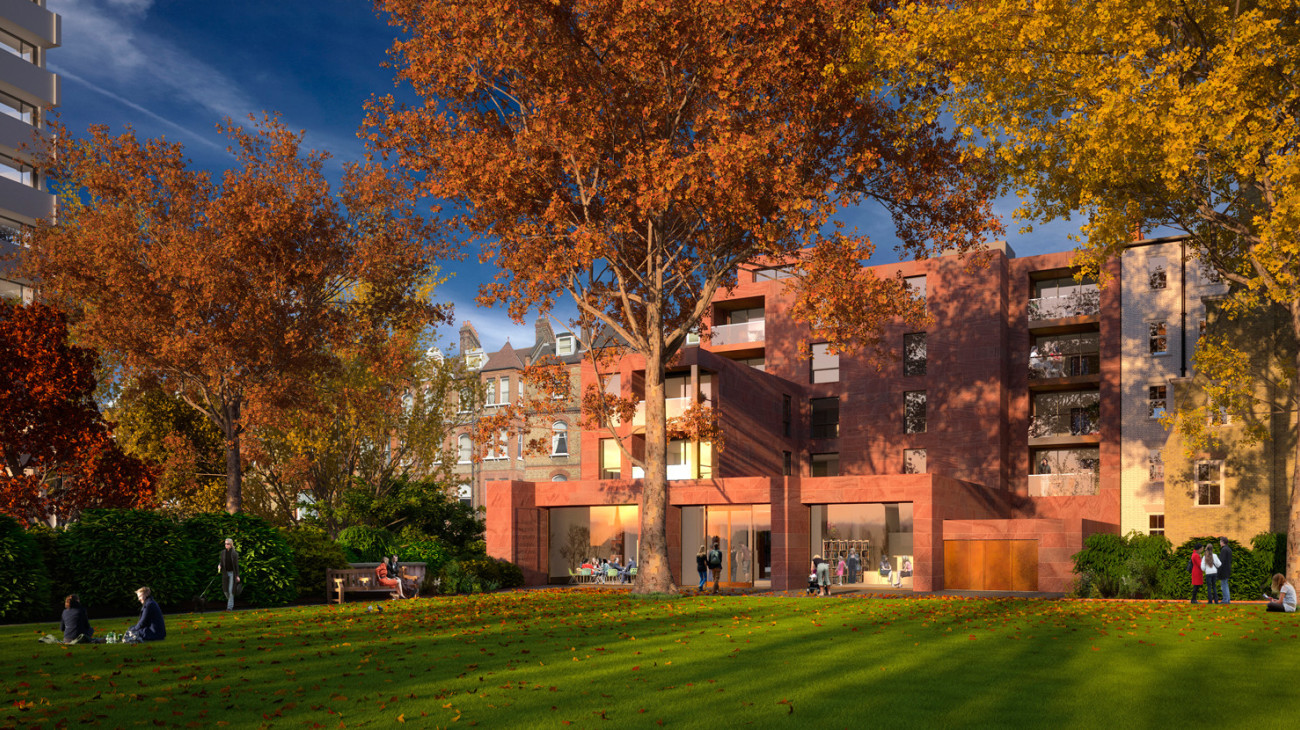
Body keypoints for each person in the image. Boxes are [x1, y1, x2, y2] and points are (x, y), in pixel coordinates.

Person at [218, 537, 240, 611]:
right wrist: (220, 565)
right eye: (225, 544)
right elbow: (221, 561)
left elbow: (236, 565)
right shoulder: (223, 553)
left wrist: (237, 576)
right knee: (225, 591)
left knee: (231, 591)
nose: (226, 545)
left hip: (232, 574)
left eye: (227, 544)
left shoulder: (234, 554)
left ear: (230, 545)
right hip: (225, 573)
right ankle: (231, 600)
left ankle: (229, 607)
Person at [1218, 537, 1233, 604]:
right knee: (1225, 584)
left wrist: (1218, 570)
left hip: (1224, 570)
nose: (1220, 543)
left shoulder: (1224, 550)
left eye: (1220, 542)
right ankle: (1227, 599)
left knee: (1224, 585)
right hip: (1227, 569)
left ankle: (1225, 599)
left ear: (1223, 542)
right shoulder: (1229, 549)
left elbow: (1221, 561)